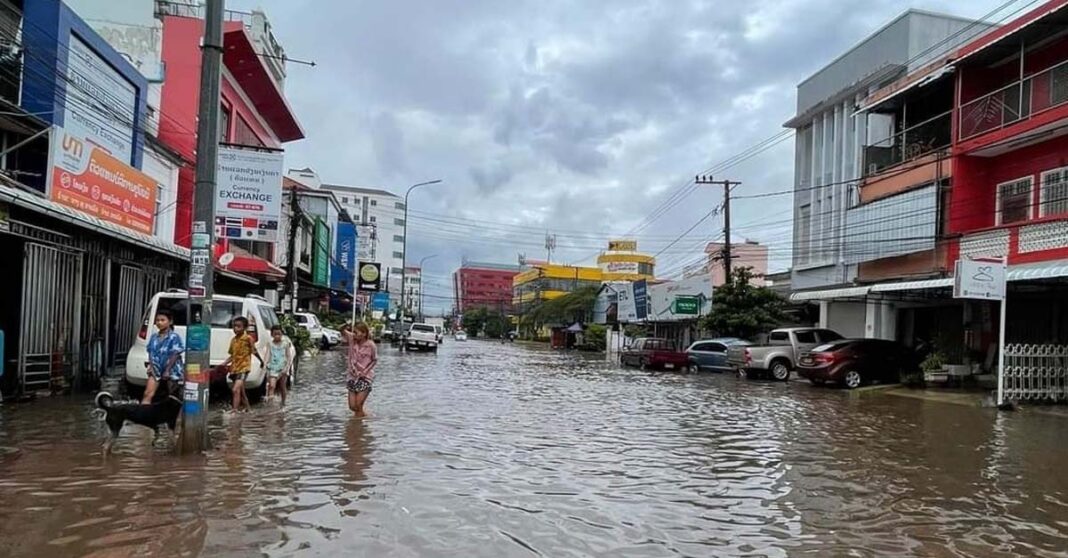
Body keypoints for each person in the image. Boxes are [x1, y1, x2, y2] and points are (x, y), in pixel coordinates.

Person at [220, 317, 264, 413]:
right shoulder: (233, 340)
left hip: (244, 368)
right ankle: (249, 410)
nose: (236, 329)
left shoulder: (248, 339)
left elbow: (254, 351)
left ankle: (234, 410)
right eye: (234, 326)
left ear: (244, 328)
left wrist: (261, 361)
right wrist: (222, 364)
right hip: (235, 369)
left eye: (238, 326)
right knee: (242, 392)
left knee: (235, 389)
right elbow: (232, 356)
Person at [143, 309, 184, 404]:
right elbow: (150, 352)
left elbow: (175, 354)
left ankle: (176, 418)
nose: (159, 323)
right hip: (156, 369)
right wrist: (151, 366)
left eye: (162, 320)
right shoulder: (154, 337)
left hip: (172, 370)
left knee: (174, 397)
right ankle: (144, 415)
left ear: (170, 322)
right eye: (157, 320)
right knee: (148, 393)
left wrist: (167, 370)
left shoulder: (174, 337)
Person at [342, 322, 377, 417]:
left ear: (364, 333)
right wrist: (346, 325)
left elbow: (374, 360)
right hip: (352, 376)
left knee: (358, 404)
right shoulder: (352, 340)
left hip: (365, 377)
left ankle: (358, 426)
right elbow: (341, 330)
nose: (355, 335)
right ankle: (362, 419)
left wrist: (365, 371)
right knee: (352, 406)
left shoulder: (371, 345)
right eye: (354, 332)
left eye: (357, 333)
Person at [263, 325, 295, 405]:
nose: (277, 336)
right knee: (271, 386)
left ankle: (283, 402)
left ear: (282, 334)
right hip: (273, 367)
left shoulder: (285, 344)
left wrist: (287, 367)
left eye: (279, 334)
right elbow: (267, 354)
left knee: (282, 386)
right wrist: (265, 364)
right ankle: (270, 405)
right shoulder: (270, 344)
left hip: (283, 367)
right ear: (272, 335)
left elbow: (288, 356)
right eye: (275, 334)